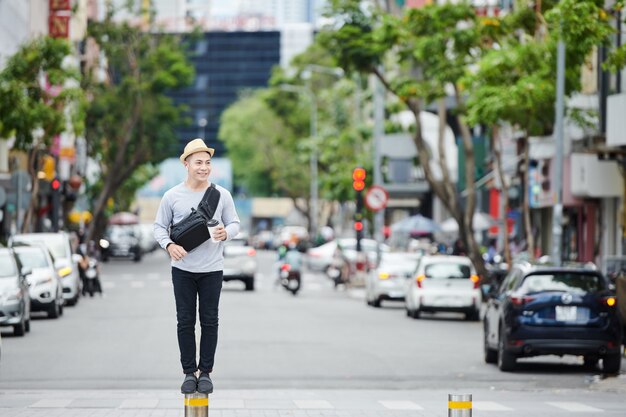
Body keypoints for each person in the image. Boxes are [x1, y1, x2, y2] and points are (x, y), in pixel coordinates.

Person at [153, 138, 241, 395]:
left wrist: (228, 233)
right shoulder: (172, 196)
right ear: (187, 164)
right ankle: (189, 372)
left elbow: (234, 223)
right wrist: (169, 246)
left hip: (212, 269)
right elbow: (159, 227)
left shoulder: (221, 194)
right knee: (185, 321)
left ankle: (206, 373)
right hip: (182, 270)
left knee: (210, 321)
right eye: (198, 162)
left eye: (207, 163)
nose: (204, 167)